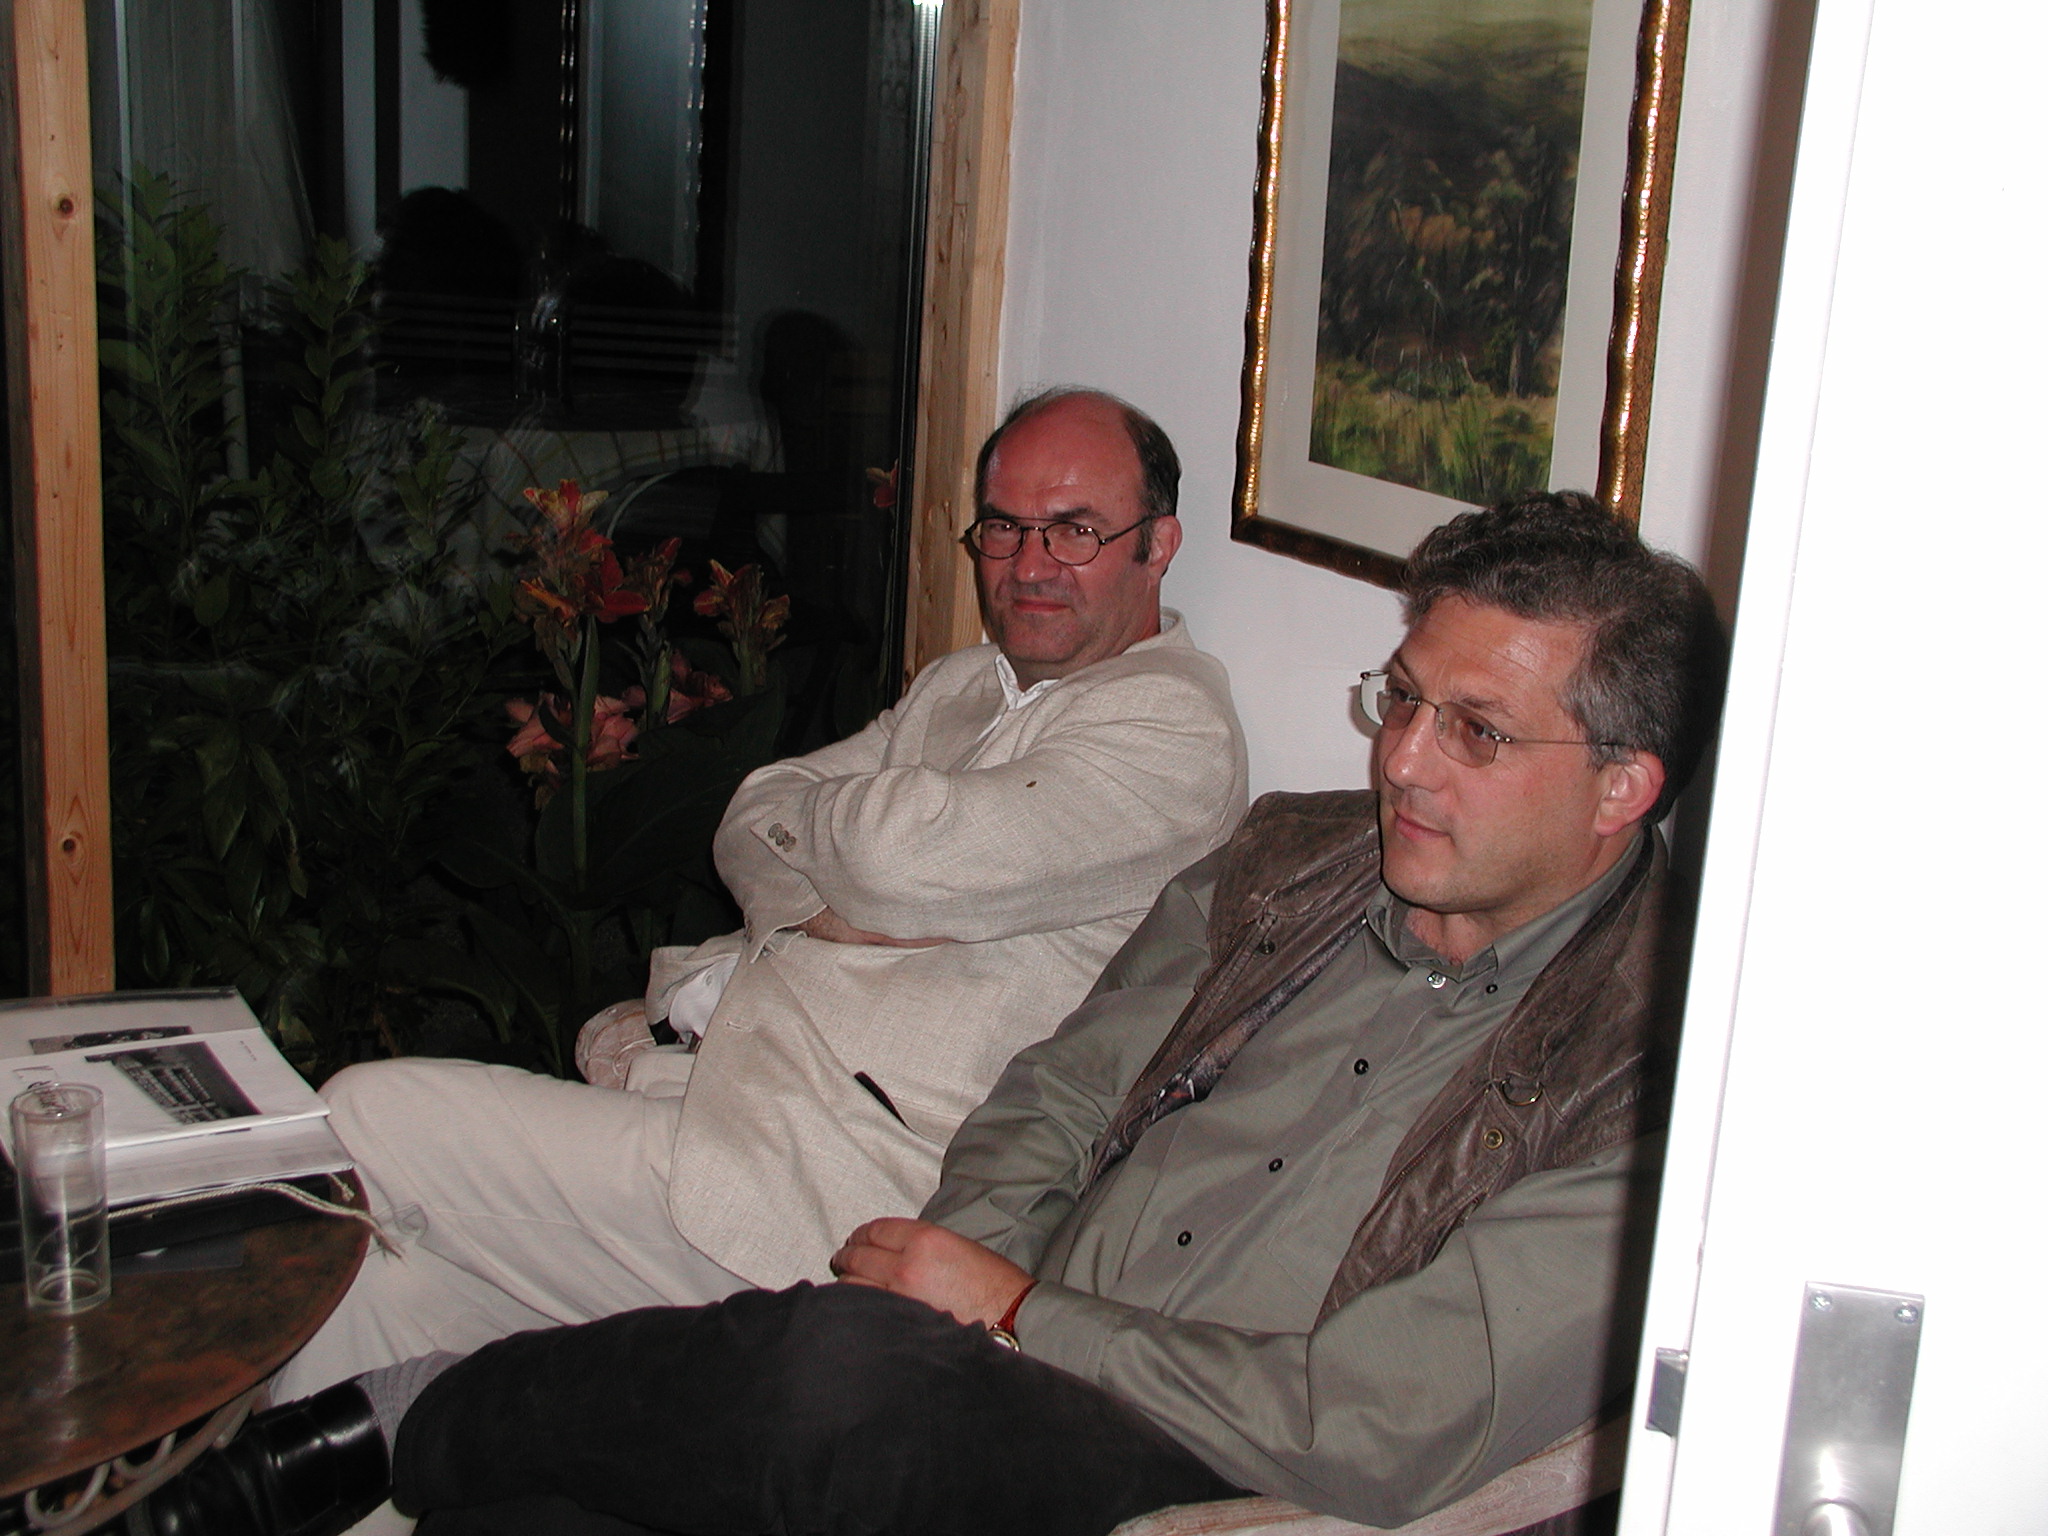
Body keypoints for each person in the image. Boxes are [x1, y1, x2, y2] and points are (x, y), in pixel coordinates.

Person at [141, 492, 1724, 1536]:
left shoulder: (1655, 1074)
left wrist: (1017, 1315)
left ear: (1622, 787)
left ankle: (396, 1426)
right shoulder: (1293, 861)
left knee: (833, 1385)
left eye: (1475, 732)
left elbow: (1373, 1424)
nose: (1402, 761)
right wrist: (958, 1281)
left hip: (1197, 1458)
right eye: (1403, 699)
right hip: (1000, 1345)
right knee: (618, 1486)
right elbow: (1058, 1092)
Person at [272, 388, 1249, 1404]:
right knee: (394, 1295)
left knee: (358, 1123)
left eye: (1075, 531)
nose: (1029, 563)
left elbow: (890, 862)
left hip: (844, 1182)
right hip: (733, 1093)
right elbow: (752, 812)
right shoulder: (963, 683)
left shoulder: (1172, 732)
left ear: (1158, 545)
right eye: (1003, 526)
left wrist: (857, 866)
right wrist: (838, 906)